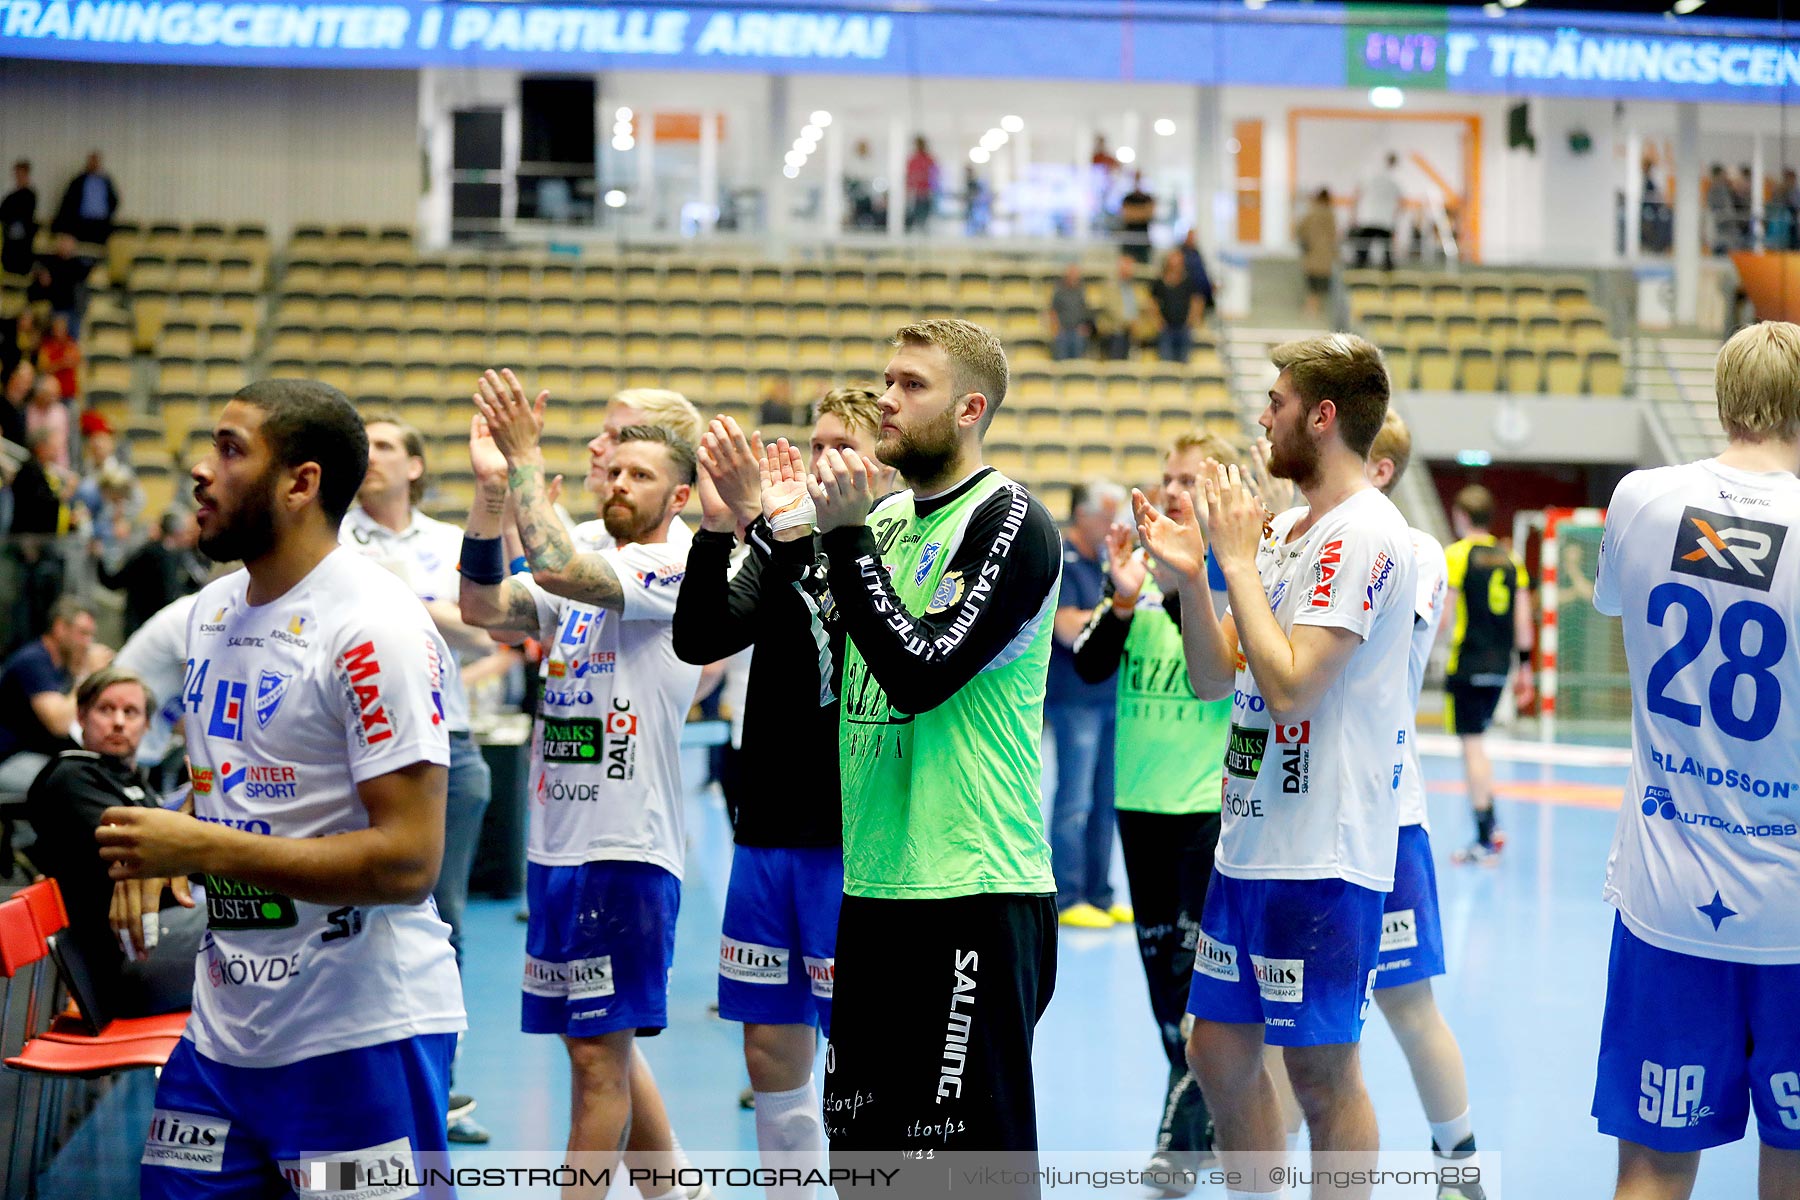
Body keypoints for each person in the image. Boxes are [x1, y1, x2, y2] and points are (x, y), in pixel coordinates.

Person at [93, 379, 464, 1199]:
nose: (199, 470)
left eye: (230, 450)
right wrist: (176, 839)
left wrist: (198, 845)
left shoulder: (376, 624)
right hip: (224, 1036)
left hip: (358, 1035)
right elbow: (248, 783)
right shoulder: (211, 612)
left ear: (300, 483)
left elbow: (408, 863)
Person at [1134, 333, 1413, 1200]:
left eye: (1279, 403)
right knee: (1214, 1051)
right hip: (1250, 843)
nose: (1263, 417)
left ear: (1323, 418)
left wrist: (1242, 563)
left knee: (1324, 1080)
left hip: (1321, 856)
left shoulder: (1365, 531)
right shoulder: (1290, 527)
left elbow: (1291, 686)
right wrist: (1193, 581)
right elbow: (1219, 676)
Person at [804, 319, 1061, 1154]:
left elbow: (919, 674)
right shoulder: (878, 528)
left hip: (974, 887)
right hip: (876, 885)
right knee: (861, 1155)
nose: (887, 398)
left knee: (960, 1165)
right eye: (887, 379)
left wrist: (841, 539)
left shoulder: (1011, 521)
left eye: (912, 385)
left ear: (969, 408)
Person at [457, 370, 702, 1187]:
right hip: (559, 849)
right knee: (597, 1050)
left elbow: (558, 568)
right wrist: (493, 494)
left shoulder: (677, 565)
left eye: (642, 476)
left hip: (624, 849)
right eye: (616, 470)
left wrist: (525, 457)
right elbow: (482, 607)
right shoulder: (594, 556)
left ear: (680, 497)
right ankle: (673, 1187)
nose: (620, 482)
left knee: (598, 1066)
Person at [1589, 320, 1800, 1200]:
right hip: (1792, 912)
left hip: (1668, 894)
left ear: (1723, 399)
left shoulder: (1641, 499)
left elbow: (1616, 607)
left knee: (1652, 1165)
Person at [672, 389, 889, 1200]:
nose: (816, 457)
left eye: (840, 445)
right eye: (815, 441)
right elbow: (702, 636)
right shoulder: (783, 539)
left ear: (880, 463)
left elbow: (846, 626)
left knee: (857, 1052)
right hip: (765, 831)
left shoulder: (886, 548)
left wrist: (786, 528)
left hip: (849, 836)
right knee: (768, 1048)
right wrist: (721, 527)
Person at [1072, 432, 1239, 1189]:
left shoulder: (1235, 583)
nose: (1171, 490)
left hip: (1205, 811)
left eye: (1188, 481)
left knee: (1196, 991)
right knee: (1163, 996)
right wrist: (1122, 595)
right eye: (1167, 478)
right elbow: (1091, 665)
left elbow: (1220, 672)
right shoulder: (1139, 579)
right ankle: (1208, 1122)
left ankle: (1179, 1143)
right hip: (1138, 810)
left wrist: (1181, 580)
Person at [341, 411, 500, 1144]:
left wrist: (397, 600)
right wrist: (438, 613)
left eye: (385, 446)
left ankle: (438, 1086)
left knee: (445, 919)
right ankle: (363, 1085)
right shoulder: (332, 538)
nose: (370, 458)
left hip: (451, 746)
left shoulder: (447, 542)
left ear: (414, 466)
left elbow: (489, 626)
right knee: (352, 918)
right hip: (352, 752)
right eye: (362, 446)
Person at [1362, 413, 1488, 1200]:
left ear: (1377, 466)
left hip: (1383, 815)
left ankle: (1460, 1163)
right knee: (1274, 1028)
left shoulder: (1412, 551)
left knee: (1408, 1002)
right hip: (1289, 817)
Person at [26, 666, 204, 1017]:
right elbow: (146, 855)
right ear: (81, 716)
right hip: (121, 964)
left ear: (148, 725)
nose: (119, 722)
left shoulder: (132, 782)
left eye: (131, 712)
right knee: (254, 929)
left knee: (254, 917)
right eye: (106, 710)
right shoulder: (71, 777)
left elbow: (182, 863)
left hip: (157, 939)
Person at [1048, 480, 1130, 928]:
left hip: (1110, 694)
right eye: (1106, 515)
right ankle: (1068, 895)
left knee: (1105, 800)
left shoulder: (1104, 560)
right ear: (1083, 514)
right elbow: (1065, 627)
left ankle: (1101, 892)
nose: (1113, 525)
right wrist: (1115, 615)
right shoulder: (1063, 558)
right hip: (1074, 697)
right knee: (1074, 799)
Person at [1442, 484, 1534, 864]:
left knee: (1472, 746)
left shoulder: (1456, 555)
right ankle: (1491, 825)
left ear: (1461, 517)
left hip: (1467, 663)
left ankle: (1484, 837)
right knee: (1478, 742)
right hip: (1499, 667)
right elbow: (1524, 620)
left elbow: (1444, 615)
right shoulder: (1511, 558)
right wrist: (1524, 668)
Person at [0, 596, 101, 792]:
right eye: (82, 634)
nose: (87, 643)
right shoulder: (33, 661)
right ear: (60, 628)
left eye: (91, 636)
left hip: (37, 754)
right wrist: (87, 674)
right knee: (73, 787)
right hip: (10, 758)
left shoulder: (62, 665)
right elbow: (59, 723)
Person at [95, 509, 205, 639]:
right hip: (152, 627)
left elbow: (113, 582)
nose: (189, 537)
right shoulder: (167, 556)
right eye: (187, 532)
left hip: (145, 627)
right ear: (177, 533)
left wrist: (99, 557)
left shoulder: (160, 553)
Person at [30, 233, 94, 337]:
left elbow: (87, 275)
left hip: (72, 309)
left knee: (71, 339)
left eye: (68, 242)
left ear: (74, 245)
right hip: (53, 306)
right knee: (50, 337)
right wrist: (40, 273)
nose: (65, 245)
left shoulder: (78, 264)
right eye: (63, 241)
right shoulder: (50, 261)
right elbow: (35, 266)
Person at [53, 151, 118, 251]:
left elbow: (114, 201)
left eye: (96, 161)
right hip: (83, 223)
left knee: (99, 252)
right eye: (92, 161)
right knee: (82, 251)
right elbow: (68, 203)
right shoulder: (79, 181)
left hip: (101, 224)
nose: (94, 164)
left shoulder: (105, 181)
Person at [1151, 250, 1205, 365]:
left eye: (1178, 261)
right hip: (1166, 329)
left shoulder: (1189, 282)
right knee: (1166, 365)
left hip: (1184, 328)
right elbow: (1153, 303)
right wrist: (1158, 321)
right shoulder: (1159, 283)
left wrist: (1192, 319)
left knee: (1184, 363)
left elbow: (1197, 301)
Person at [1351, 153, 1403, 270]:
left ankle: (1359, 273)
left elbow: (1357, 194)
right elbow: (1400, 204)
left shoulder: (1370, 175)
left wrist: (1354, 216)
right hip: (1385, 221)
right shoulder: (1395, 180)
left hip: (1368, 219)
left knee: (1362, 253)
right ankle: (1388, 276)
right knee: (1387, 254)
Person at [1296, 189, 1340, 318]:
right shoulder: (1330, 215)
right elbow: (1334, 236)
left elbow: (1300, 230)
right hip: (1325, 256)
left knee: (1312, 285)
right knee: (1320, 286)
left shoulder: (1311, 213)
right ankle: (1315, 309)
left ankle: (1311, 309)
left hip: (1312, 254)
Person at [1100, 253, 1148, 361]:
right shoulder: (1110, 285)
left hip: (1130, 333)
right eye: (1130, 266)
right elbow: (1111, 309)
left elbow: (1135, 307)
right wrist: (1129, 322)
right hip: (1115, 332)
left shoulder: (1131, 286)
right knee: (1116, 366)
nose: (1132, 270)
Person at [1049, 265, 1094, 362]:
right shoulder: (1059, 291)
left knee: (1077, 363)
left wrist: (1085, 327)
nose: (1074, 278)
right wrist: (1056, 328)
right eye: (1072, 275)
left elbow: (1086, 311)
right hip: (1063, 331)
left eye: (1076, 275)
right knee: (1062, 361)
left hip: (1077, 331)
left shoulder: (1081, 292)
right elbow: (1053, 311)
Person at [1, 159, 36, 277]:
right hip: (9, 241)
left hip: (22, 244)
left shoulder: (30, 195)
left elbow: (23, 215)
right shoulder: (11, 196)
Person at [37, 312, 80, 401]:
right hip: (52, 394)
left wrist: (57, 364)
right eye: (57, 328)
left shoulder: (71, 343)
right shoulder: (47, 346)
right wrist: (62, 363)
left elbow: (75, 361)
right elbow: (44, 368)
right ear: (53, 329)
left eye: (62, 328)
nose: (59, 331)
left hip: (69, 393)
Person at [1121, 173, 1156, 264]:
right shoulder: (1127, 198)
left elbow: (1149, 214)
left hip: (1143, 240)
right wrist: (1142, 211)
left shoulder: (1148, 198)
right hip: (1129, 239)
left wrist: (1133, 211)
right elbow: (1126, 216)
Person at [905, 137, 938, 232]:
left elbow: (935, 174)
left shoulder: (929, 159)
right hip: (916, 193)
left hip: (927, 193)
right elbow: (909, 176)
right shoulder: (913, 160)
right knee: (915, 216)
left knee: (925, 217)